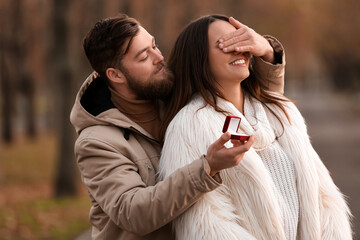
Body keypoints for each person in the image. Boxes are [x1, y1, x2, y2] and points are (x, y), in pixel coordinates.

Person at [70, 13, 287, 240]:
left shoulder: (173, 93)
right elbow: (132, 212)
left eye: (154, 46)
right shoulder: (96, 142)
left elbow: (257, 108)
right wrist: (207, 168)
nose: (158, 57)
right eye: (144, 57)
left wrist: (268, 53)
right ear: (115, 75)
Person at [159, 15, 352, 240]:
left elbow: (325, 199)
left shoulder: (281, 112)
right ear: (198, 58)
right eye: (225, 44)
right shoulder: (188, 127)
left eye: (241, 40)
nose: (238, 49)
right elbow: (207, 225)